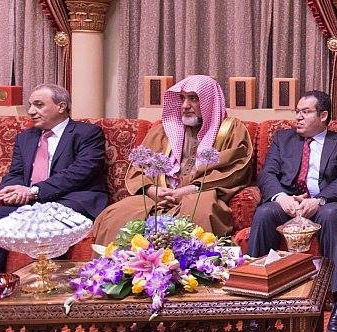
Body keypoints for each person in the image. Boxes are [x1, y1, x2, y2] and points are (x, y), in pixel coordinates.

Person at [248, 90, 337, 332]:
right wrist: (281, 197)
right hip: (288, 202)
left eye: (305, 112)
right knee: (264, 214)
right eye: (297, 111)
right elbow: (267, 174)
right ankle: (255, 298)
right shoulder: (282, 139)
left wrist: (318, 200)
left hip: (324, 203)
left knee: (332, 216)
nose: (298, 117)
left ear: (323, 115)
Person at [92, 75, 253, 245]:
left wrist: (190, 189)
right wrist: (151, 189)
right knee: (117, 215)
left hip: (200, 195)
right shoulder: (163, 130)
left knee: (201, 214)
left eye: (193, 98)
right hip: (158, 197)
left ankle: (189, 263)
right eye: (182, 98)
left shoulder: (230, 130)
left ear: (209, 101)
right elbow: (139, 167)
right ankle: (118, 263)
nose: (185, 105)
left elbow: (235, 168)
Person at [0, 84, 108, 272]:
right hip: (32, 203)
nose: (31, 111)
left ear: (61, 106)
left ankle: (50, 283)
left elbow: (80, 172)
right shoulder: (25, 137)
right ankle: (0, 282)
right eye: (30, 105)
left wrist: (33, 191)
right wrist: (12, 190)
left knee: (47, 222)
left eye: (39, 105)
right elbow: (16, 173)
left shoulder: (87, 133)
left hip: (71, 200)